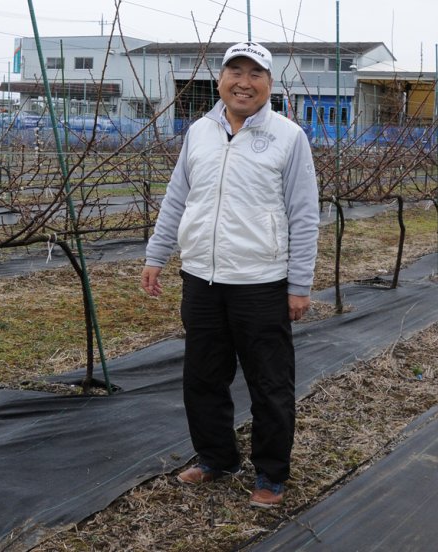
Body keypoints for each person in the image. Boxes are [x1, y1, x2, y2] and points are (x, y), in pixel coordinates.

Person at [140, 41, 319, 508]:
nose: (244, 81)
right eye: (235, 71)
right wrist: (156, 254)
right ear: (219, 79)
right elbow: (178, 198)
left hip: (260, 281)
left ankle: (271, 474)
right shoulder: (199, 132)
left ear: (269, 83)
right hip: (201, 277)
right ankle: (217, 457)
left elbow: (303, 214)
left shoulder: (288, 136)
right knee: (202, 376)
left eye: (255, 73)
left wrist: (299, 284)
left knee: (270, 383)